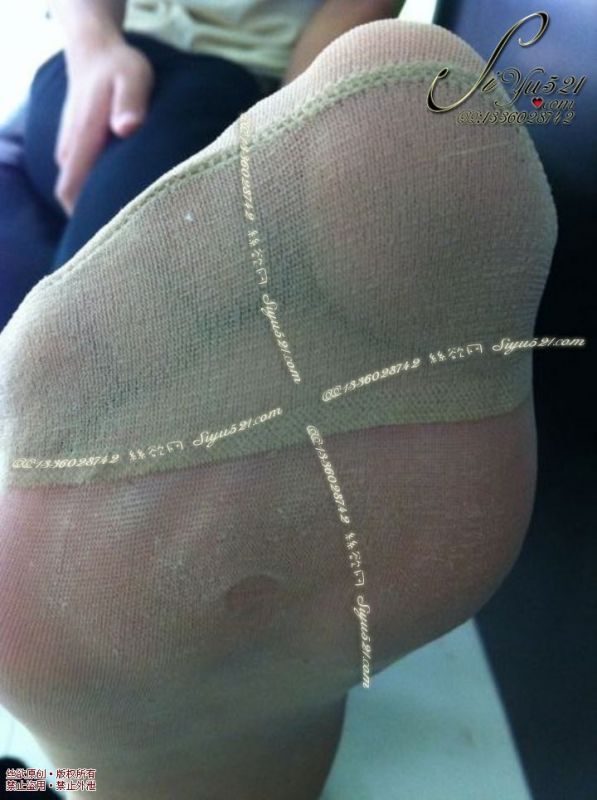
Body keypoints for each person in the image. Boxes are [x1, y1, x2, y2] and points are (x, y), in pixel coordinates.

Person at [0, 0, 400, 331]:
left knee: (80, 316)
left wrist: (279, 136)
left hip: (240, 86)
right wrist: (95, 46)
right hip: (90, 66)